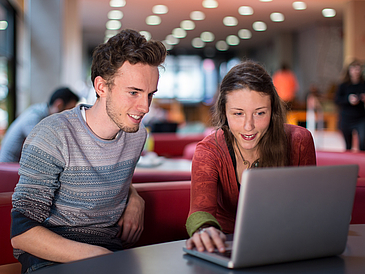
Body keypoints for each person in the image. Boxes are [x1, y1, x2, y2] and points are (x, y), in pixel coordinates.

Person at [10, 29, 167, 273]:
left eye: (150, 95)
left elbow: (102, 176)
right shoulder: (52, 135)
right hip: (51, 258)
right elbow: (22, 234)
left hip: (109, 254)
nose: (145, 107)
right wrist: (99, 256)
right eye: (134, 92)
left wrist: (135, 198)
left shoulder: (136, 134)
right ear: (101, 86)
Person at [185, 60, 316, 253]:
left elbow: (310, 205)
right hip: (226, 246)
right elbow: (200, 211)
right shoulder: (209, 150)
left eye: (260, 113)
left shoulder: (299, 141)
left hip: (287, 245)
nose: (249, 126)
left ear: (272, 112)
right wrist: (204, 230)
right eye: (238, 113)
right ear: (224, 113)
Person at [0, 87, 79, 162]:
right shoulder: (34, 117)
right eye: (70, 110)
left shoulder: (45, 115)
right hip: (10, 167)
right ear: (59, 105)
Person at [334, 60, 365, 151]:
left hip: (361, 117)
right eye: (354, 69)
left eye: (358, 69)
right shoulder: (343, 85)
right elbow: (336, 100)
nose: (356, 71)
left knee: (363, 142)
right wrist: (348, 99)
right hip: (346, 118)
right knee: (348, 145)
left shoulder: (363, 84)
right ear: (349, 71)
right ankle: (350, 163)